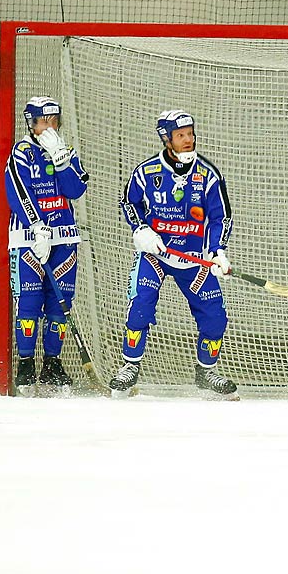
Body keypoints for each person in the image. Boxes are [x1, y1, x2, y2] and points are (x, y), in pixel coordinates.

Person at [110, 110, 238, 400]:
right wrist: (141, 229)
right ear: (166, 138)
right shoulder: (146, 172)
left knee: (215, 317)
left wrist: (217, 250)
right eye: (181, 135)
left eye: (190, 134)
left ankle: (207, 372)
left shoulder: (208, 175)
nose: (188, 140)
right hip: (156, 255)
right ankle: (130, 366)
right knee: (140, 305)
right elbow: (128, 202)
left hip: (194, 259)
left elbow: (221, 217)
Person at [4, 96, 88, 395]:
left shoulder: (66, 152)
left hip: (64, 238)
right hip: (29, 240)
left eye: (55, 121)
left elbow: (76, 189)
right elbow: (17, 192)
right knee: (28, 304)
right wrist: (36, 226)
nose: (50, 127)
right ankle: (25, 363)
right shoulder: (22, 152)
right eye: (44, 121)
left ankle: (52, 363)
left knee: (59, 306)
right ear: (31, 123)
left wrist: (61, 160)